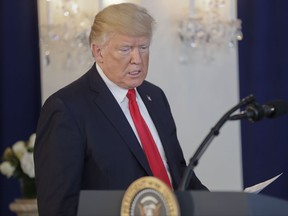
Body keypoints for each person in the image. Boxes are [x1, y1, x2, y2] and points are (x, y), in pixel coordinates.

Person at [34, 3, 208, 216]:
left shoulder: (156, 97)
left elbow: (179, 175)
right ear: (98, 52)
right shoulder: (66, 108)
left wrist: (221, 207)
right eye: (125, 49)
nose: (137, 59)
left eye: (143, 47)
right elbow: (57, 207)